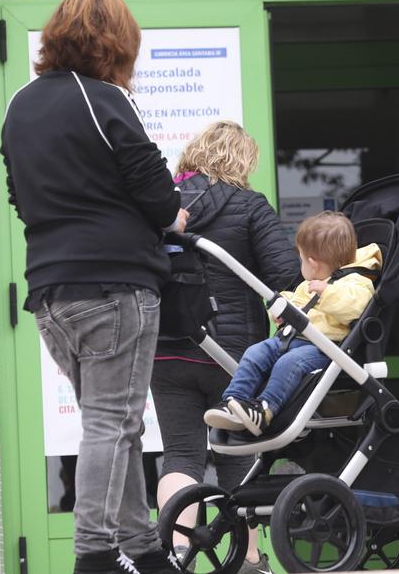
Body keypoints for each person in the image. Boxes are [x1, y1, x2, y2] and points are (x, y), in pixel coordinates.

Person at [0, 0, 188, 574]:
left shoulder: (20, 104)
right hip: (115, 286)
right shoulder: (106, 98)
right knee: (114, 423)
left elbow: (18, 194)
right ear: (118, 44)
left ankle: (143, 550)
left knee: (113, 423)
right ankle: (94, 557)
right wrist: (175, 216)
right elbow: (156, 193)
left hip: (51, 295)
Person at [151, 120, 299, 573]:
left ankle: (176, 555)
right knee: (238, 456)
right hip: (232, 357)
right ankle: (249, 560)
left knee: (180, 454)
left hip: (167, 349)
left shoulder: (161, 208)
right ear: (242, 160)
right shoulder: (249, 205)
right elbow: (285, 279)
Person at [204, 211, 381, 436]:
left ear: (313, 264)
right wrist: (282, 309)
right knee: (255, 352)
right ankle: (233, 400)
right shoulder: (308, 284)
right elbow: (297, 303)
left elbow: (354, 308)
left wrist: (328, 292)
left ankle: (265, 409)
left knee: (289, 364)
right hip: (287, 338)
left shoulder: (356, 282)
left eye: (301, 258)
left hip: (322, 349)